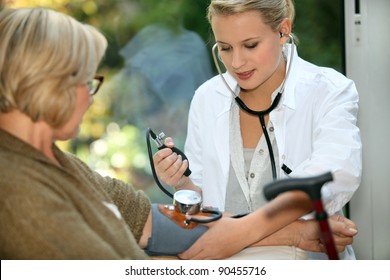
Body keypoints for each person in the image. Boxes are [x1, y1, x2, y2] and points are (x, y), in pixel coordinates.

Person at [0, 7, 357, 260]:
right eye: (85, 82)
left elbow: (152, 222)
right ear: (44, 84)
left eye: (250, 45)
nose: (92, 98)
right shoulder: (17, 191)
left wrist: (291, 234)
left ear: (282, 30)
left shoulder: (65, 165)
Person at [153, 0, 362, 259]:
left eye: (250, 45)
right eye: (225, 48)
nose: (237, 62)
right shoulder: (207, 98)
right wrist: (183, 182)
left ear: (283, 30)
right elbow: (204, 209)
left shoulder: (330, 90)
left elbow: (332, 178)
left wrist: (237, 232)